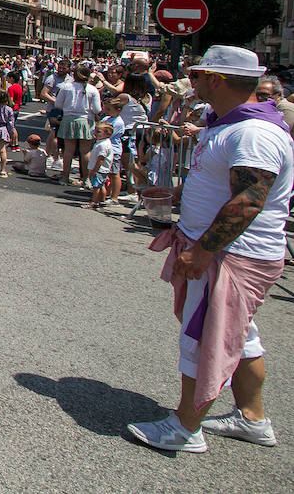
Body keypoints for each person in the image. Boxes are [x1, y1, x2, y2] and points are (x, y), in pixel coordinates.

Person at [126, 45, 294, 453]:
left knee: (203, 337)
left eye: (197, 75)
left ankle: (186, 427)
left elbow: (249, 199)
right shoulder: (230, 124)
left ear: (215, 79)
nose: (192, 81)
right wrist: (182, 191)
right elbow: (230, 185)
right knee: (241, 337)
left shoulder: (252, 132)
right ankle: (252, 418)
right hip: (228, 249)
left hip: (229, 255)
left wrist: (202, 252)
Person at [54, 61, 102, 186]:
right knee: (85, 152)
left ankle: (65, 176)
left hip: (69, 119)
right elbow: (97, 109)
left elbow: (58, 104)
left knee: (68, 150)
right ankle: (86, 179)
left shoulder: (65, 86)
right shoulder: (93, 90)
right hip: (86, 120)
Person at [84, 121, 116, 209]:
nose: (95, 133)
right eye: (95, 131)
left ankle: (94, 202)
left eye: (98, 132)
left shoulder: (103, 145)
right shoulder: (100, 142)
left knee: (96, 186)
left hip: (99, 169)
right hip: (99, 169)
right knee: (101, 185)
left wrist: (95, 170)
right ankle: (101, 201)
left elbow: (101, 159)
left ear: (107, 134)